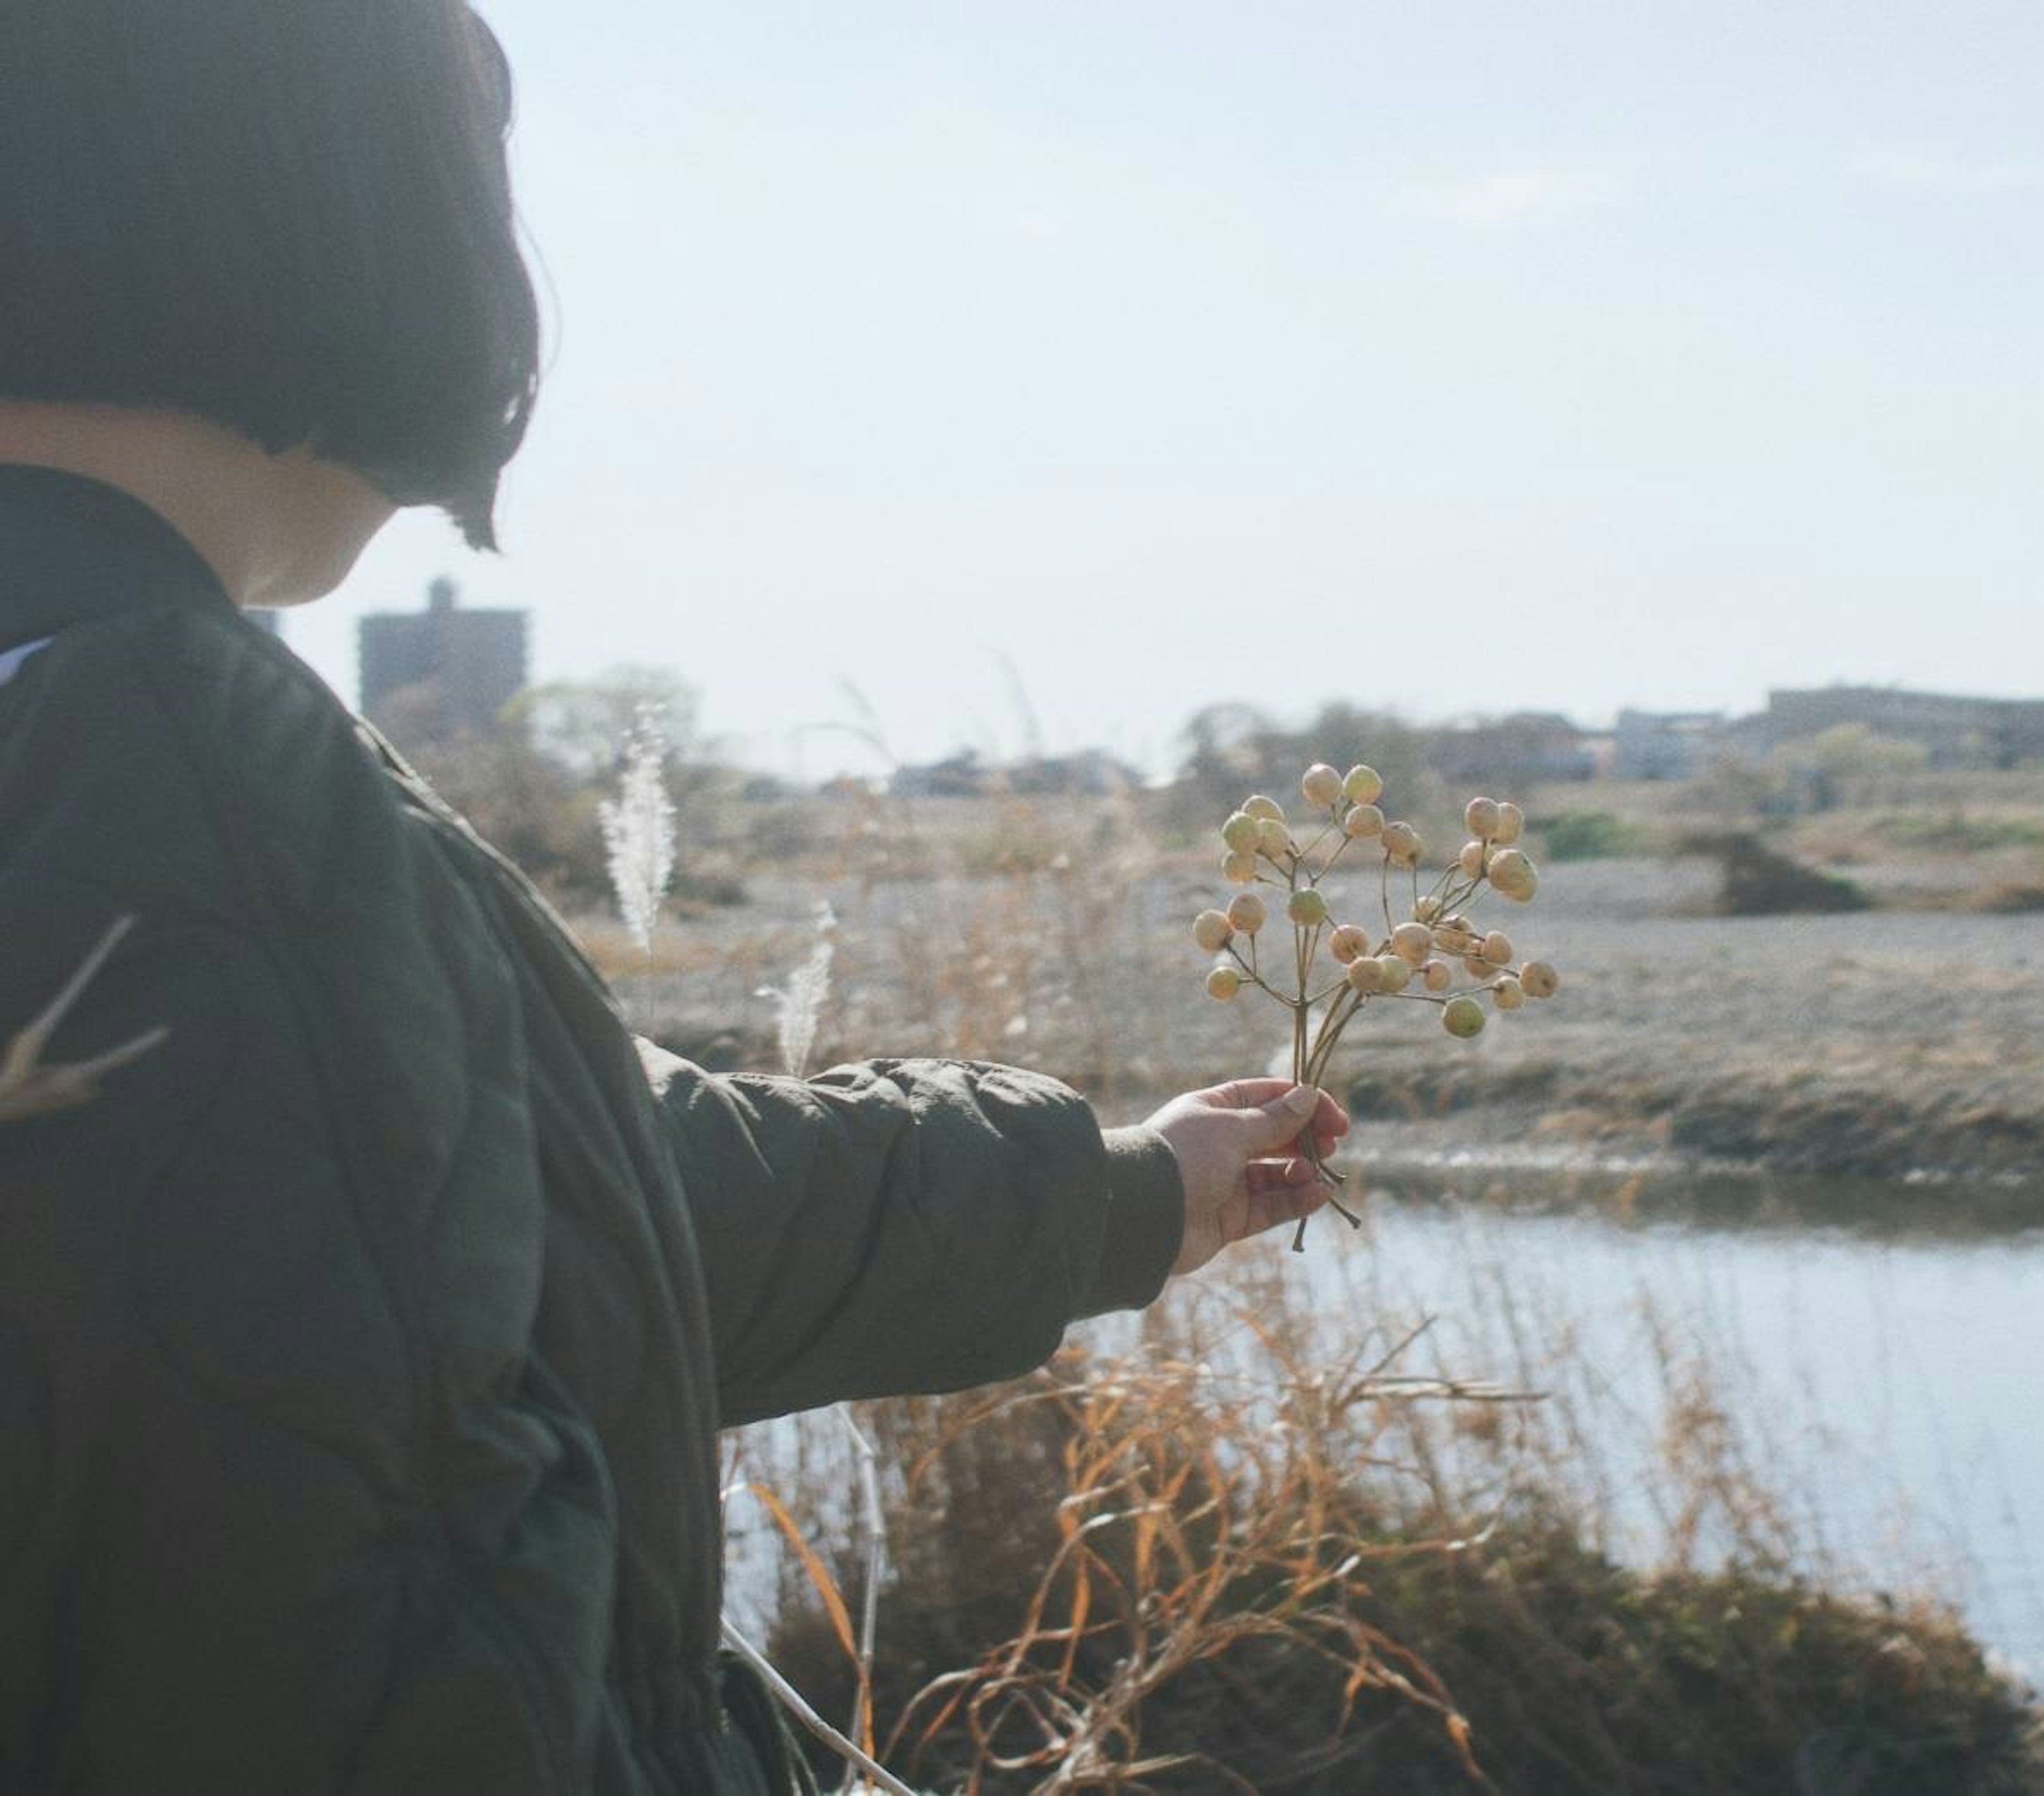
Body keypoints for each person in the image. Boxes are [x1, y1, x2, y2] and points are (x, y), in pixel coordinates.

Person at [0, 4, 1347, 1790]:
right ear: (340, 220)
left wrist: (1119, 1195)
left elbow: (567, 1222)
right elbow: (340, 1602)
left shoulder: (100, 717)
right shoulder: (166, 756)